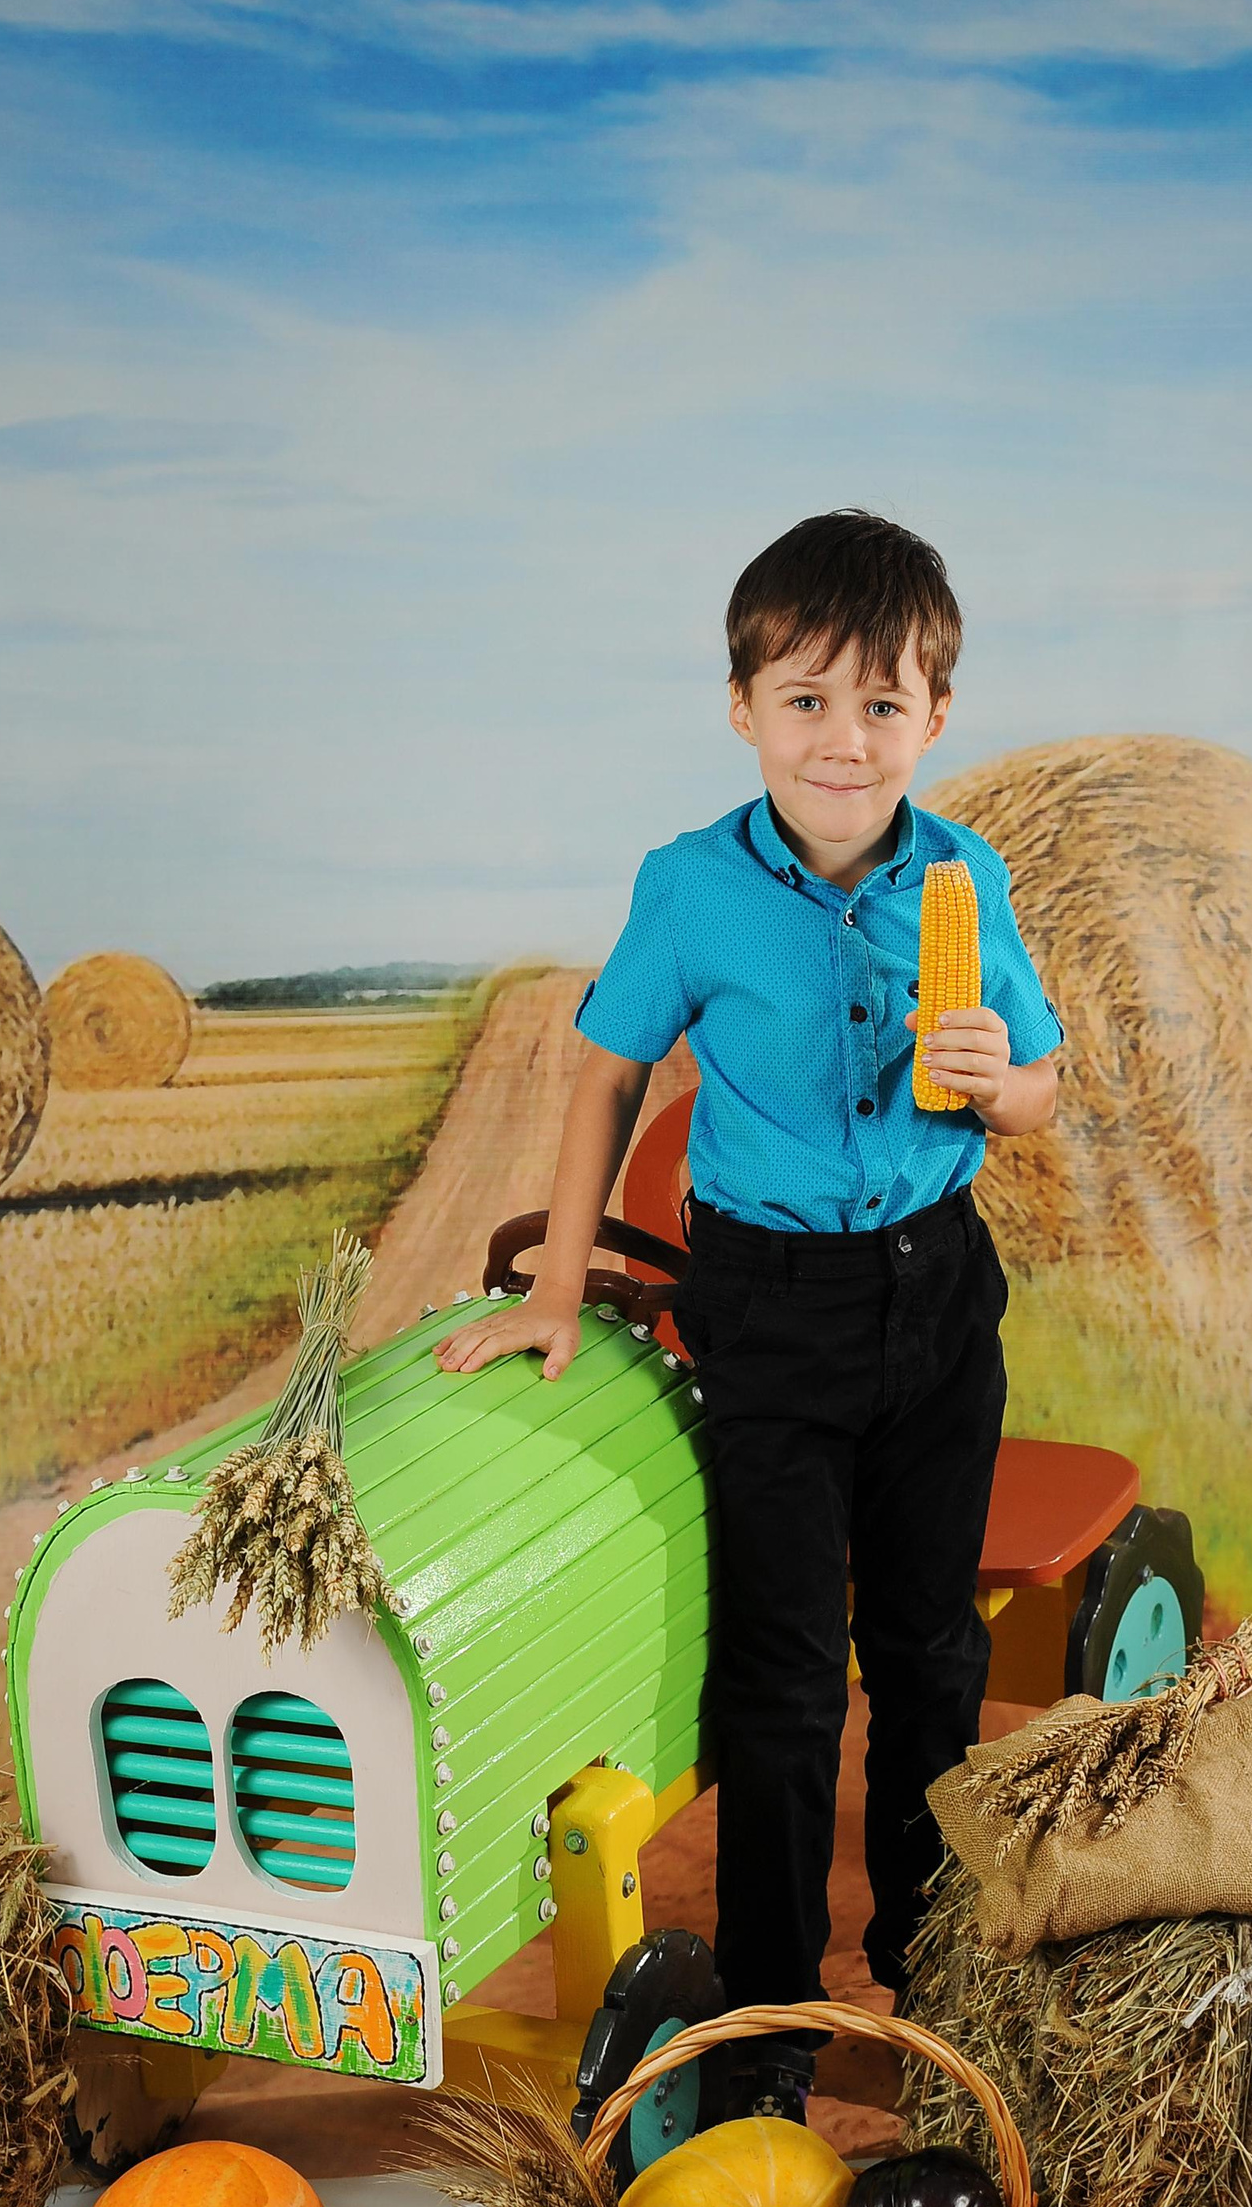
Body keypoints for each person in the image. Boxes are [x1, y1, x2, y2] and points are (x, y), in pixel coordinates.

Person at [436, 510, 1062, 2115]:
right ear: (742, 708)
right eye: (806, 701)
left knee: (927, 1649)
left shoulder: (968, 877)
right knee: (781, 1678)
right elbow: (607, 1072)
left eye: (882, 705)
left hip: (938, 1294)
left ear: (936, 716)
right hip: (772, 1308)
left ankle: (934, 1968)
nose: (844, 741)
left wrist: (1004, 1083)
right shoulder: (690, 889)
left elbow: (1040, 1088)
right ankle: (772, 2018)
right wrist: (557, 1285)